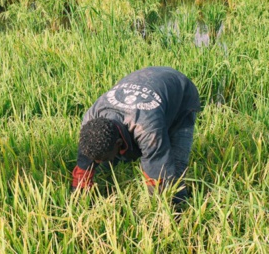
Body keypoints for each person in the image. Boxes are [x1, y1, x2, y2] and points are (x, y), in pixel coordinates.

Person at [71, 67, 200, 203]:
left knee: (173, 173)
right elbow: (85, 161)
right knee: (104, 163)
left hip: (180, 94)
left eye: (100, 159)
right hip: (147, 81)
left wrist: (158, 207)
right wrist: (79, 197)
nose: (96, 162)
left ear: (119, 143)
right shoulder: (91, 119)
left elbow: (158, 173)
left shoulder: (146, 130)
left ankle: (181, 211)